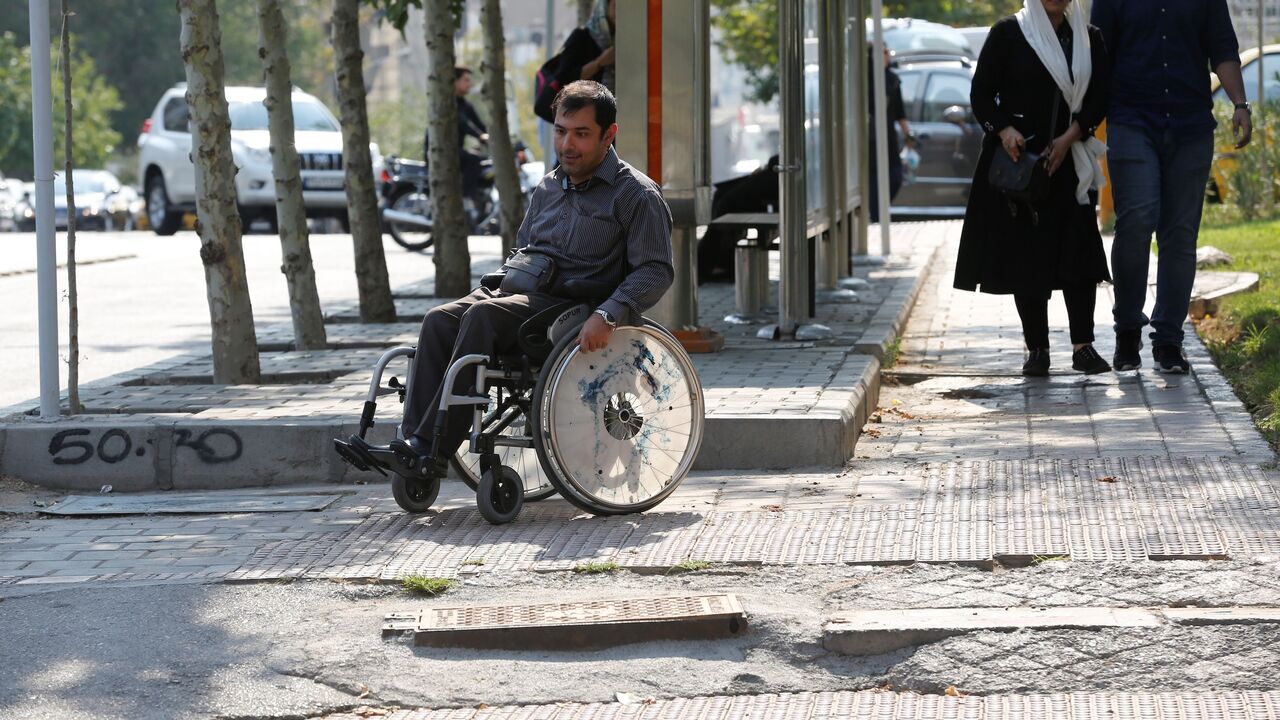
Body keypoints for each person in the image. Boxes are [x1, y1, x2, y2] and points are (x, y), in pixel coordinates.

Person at [354, 80, 674, 476]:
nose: (567, 145)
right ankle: (414, 437)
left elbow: (655, 269)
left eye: (581, 134)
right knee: (440, 318)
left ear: (609, 134)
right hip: (521, 292)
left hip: (573, 309)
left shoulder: (635, 195)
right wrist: (491, 288)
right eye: (560, 132)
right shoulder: (548, 188)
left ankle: (431, 449)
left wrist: (609, 314)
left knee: (482, 319)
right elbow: (523, 250)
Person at [953, 0, 1112, 377]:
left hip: (1071, 162)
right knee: (1027, 257)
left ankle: (1083, 346)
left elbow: (1099, 98)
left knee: (1078, 255)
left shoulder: (1088, 38)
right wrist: (1005, 129)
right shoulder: (1009, 33)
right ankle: (1036, 348)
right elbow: (981, 95)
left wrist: (1069, 137)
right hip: (1022, 164)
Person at [1092, 0, 1251, 373]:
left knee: (1180, 234)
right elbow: (1099, 56)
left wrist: (1240, 104)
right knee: (1136, 219)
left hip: (1191, 124)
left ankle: (1168, 340)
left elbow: (1223, 50)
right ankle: (1127, 328)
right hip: (1132, 120)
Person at [424, 67, 489, 211]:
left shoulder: (466, 105)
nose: (469, 84)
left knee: (479, 158)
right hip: (440, 151)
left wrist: (494, 137)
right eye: (465, 80)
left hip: (454, 151)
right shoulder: (447, 103)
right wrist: (480, 136)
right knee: (473, 160)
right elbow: (463, 123)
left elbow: (481, 125)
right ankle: (466, 198)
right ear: (454, 82)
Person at [868, 46, 913, 223]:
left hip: (888, 137)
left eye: (887, 52)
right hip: (870, 139)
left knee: (895, 175)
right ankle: (875, 217)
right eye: (883, 52)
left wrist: (908, 134)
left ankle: (879, 210)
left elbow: (900, 112)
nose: (888, 55)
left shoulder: (892, 80)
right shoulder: (863, 79)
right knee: (873, 178)